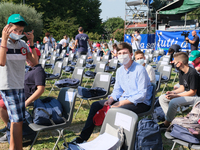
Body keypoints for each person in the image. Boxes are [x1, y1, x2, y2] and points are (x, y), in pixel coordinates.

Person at [70, 42, 153, 144]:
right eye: (119, 53)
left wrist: (121, 103)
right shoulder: (119, 71)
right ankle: (83, 138)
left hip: (141, 103)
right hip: (126, 99)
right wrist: (111, 99)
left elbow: (141, 95)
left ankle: (109, 141)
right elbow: (117, 90)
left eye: (125, 53)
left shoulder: (140, 70)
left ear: (131, 55)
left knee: (116, 111)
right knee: (96, 105)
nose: (122, 56)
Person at [0, 14, 38, 150]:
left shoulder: (23, 44)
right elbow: (1, 62)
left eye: (21, 31)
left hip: (19, 85)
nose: (18, 33)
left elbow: (34, 62)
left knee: (17, 120)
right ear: (7, 27)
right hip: (7, 86)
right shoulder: (1, 42)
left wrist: (31, 43)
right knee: (17, 120)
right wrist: (4, 40)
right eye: (15, 30)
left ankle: (12, 147)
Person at [0, 48, 45, 143]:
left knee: (1, 105)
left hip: (24, 98)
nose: (27, 60)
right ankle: (8, 126)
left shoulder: (38, 71)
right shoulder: (31, 68)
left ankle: (10, 130)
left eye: (29, 58)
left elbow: (40, 89)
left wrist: (26, 102)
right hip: (18, 93)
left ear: (37, 57)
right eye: (26, 58)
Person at [159, 52, 200, 130]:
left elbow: (192, 92)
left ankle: (167, 123)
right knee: (162, 98)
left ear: (180, 63)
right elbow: (182, 87)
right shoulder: (181, 71)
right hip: (188, 93)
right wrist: (173, 92)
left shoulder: (192, 73)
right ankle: (172, 120)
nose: (174, 64)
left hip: (196, 97)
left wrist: (176, 96)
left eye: (174, 62)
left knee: (173, 102)